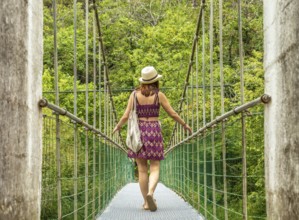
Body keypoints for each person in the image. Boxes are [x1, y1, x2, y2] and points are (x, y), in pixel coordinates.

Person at [113, 66, 192, 211]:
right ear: (156, 80)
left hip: (139, 132)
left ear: (142, 81)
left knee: (142, 169)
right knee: (155, 166)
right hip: (154, 131)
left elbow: (125, 115)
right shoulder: (159, 95)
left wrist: (117, 127)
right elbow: (173, 114)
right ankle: (151, 193)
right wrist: (185, 125)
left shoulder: (134, 95)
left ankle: (145, 202)